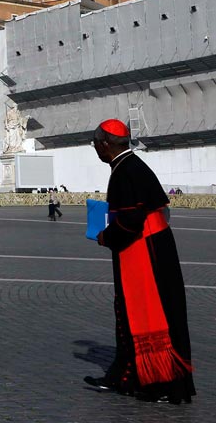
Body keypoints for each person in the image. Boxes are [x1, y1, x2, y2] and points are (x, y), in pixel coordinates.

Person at [85, 119, 195, 404]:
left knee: (147, 313)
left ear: (105, 145)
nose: (95, 149)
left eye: (95, 144)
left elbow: (131, 219)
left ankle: (159, 384)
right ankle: (124, 376)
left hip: (144, 252)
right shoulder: (132, 165)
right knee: (138, 313)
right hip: (154, 245)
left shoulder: (125, 171)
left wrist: (106, 236)